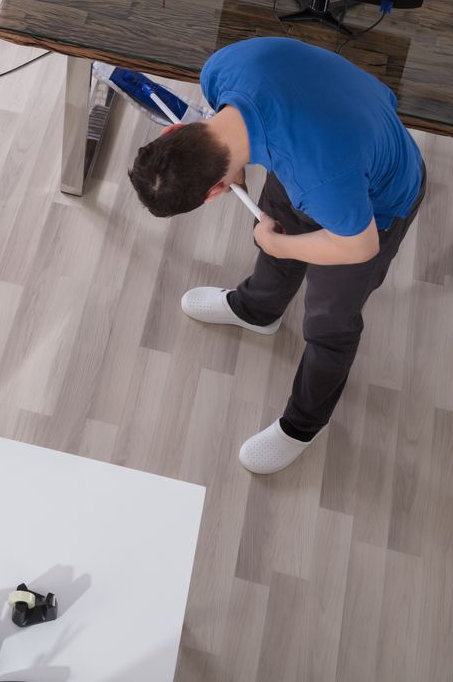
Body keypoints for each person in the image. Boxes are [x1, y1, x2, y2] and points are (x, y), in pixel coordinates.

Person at [128, 38, 427, 475]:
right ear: (173, 130)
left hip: (374, 203)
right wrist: (275, 238)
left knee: (329, 323)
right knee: (275, 224)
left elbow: (360, 246)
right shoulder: (220, 71)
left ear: (215, 193)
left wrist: (277, 244)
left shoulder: (320, 180)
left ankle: (304, 425)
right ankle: (256, 310)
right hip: (324, 149)